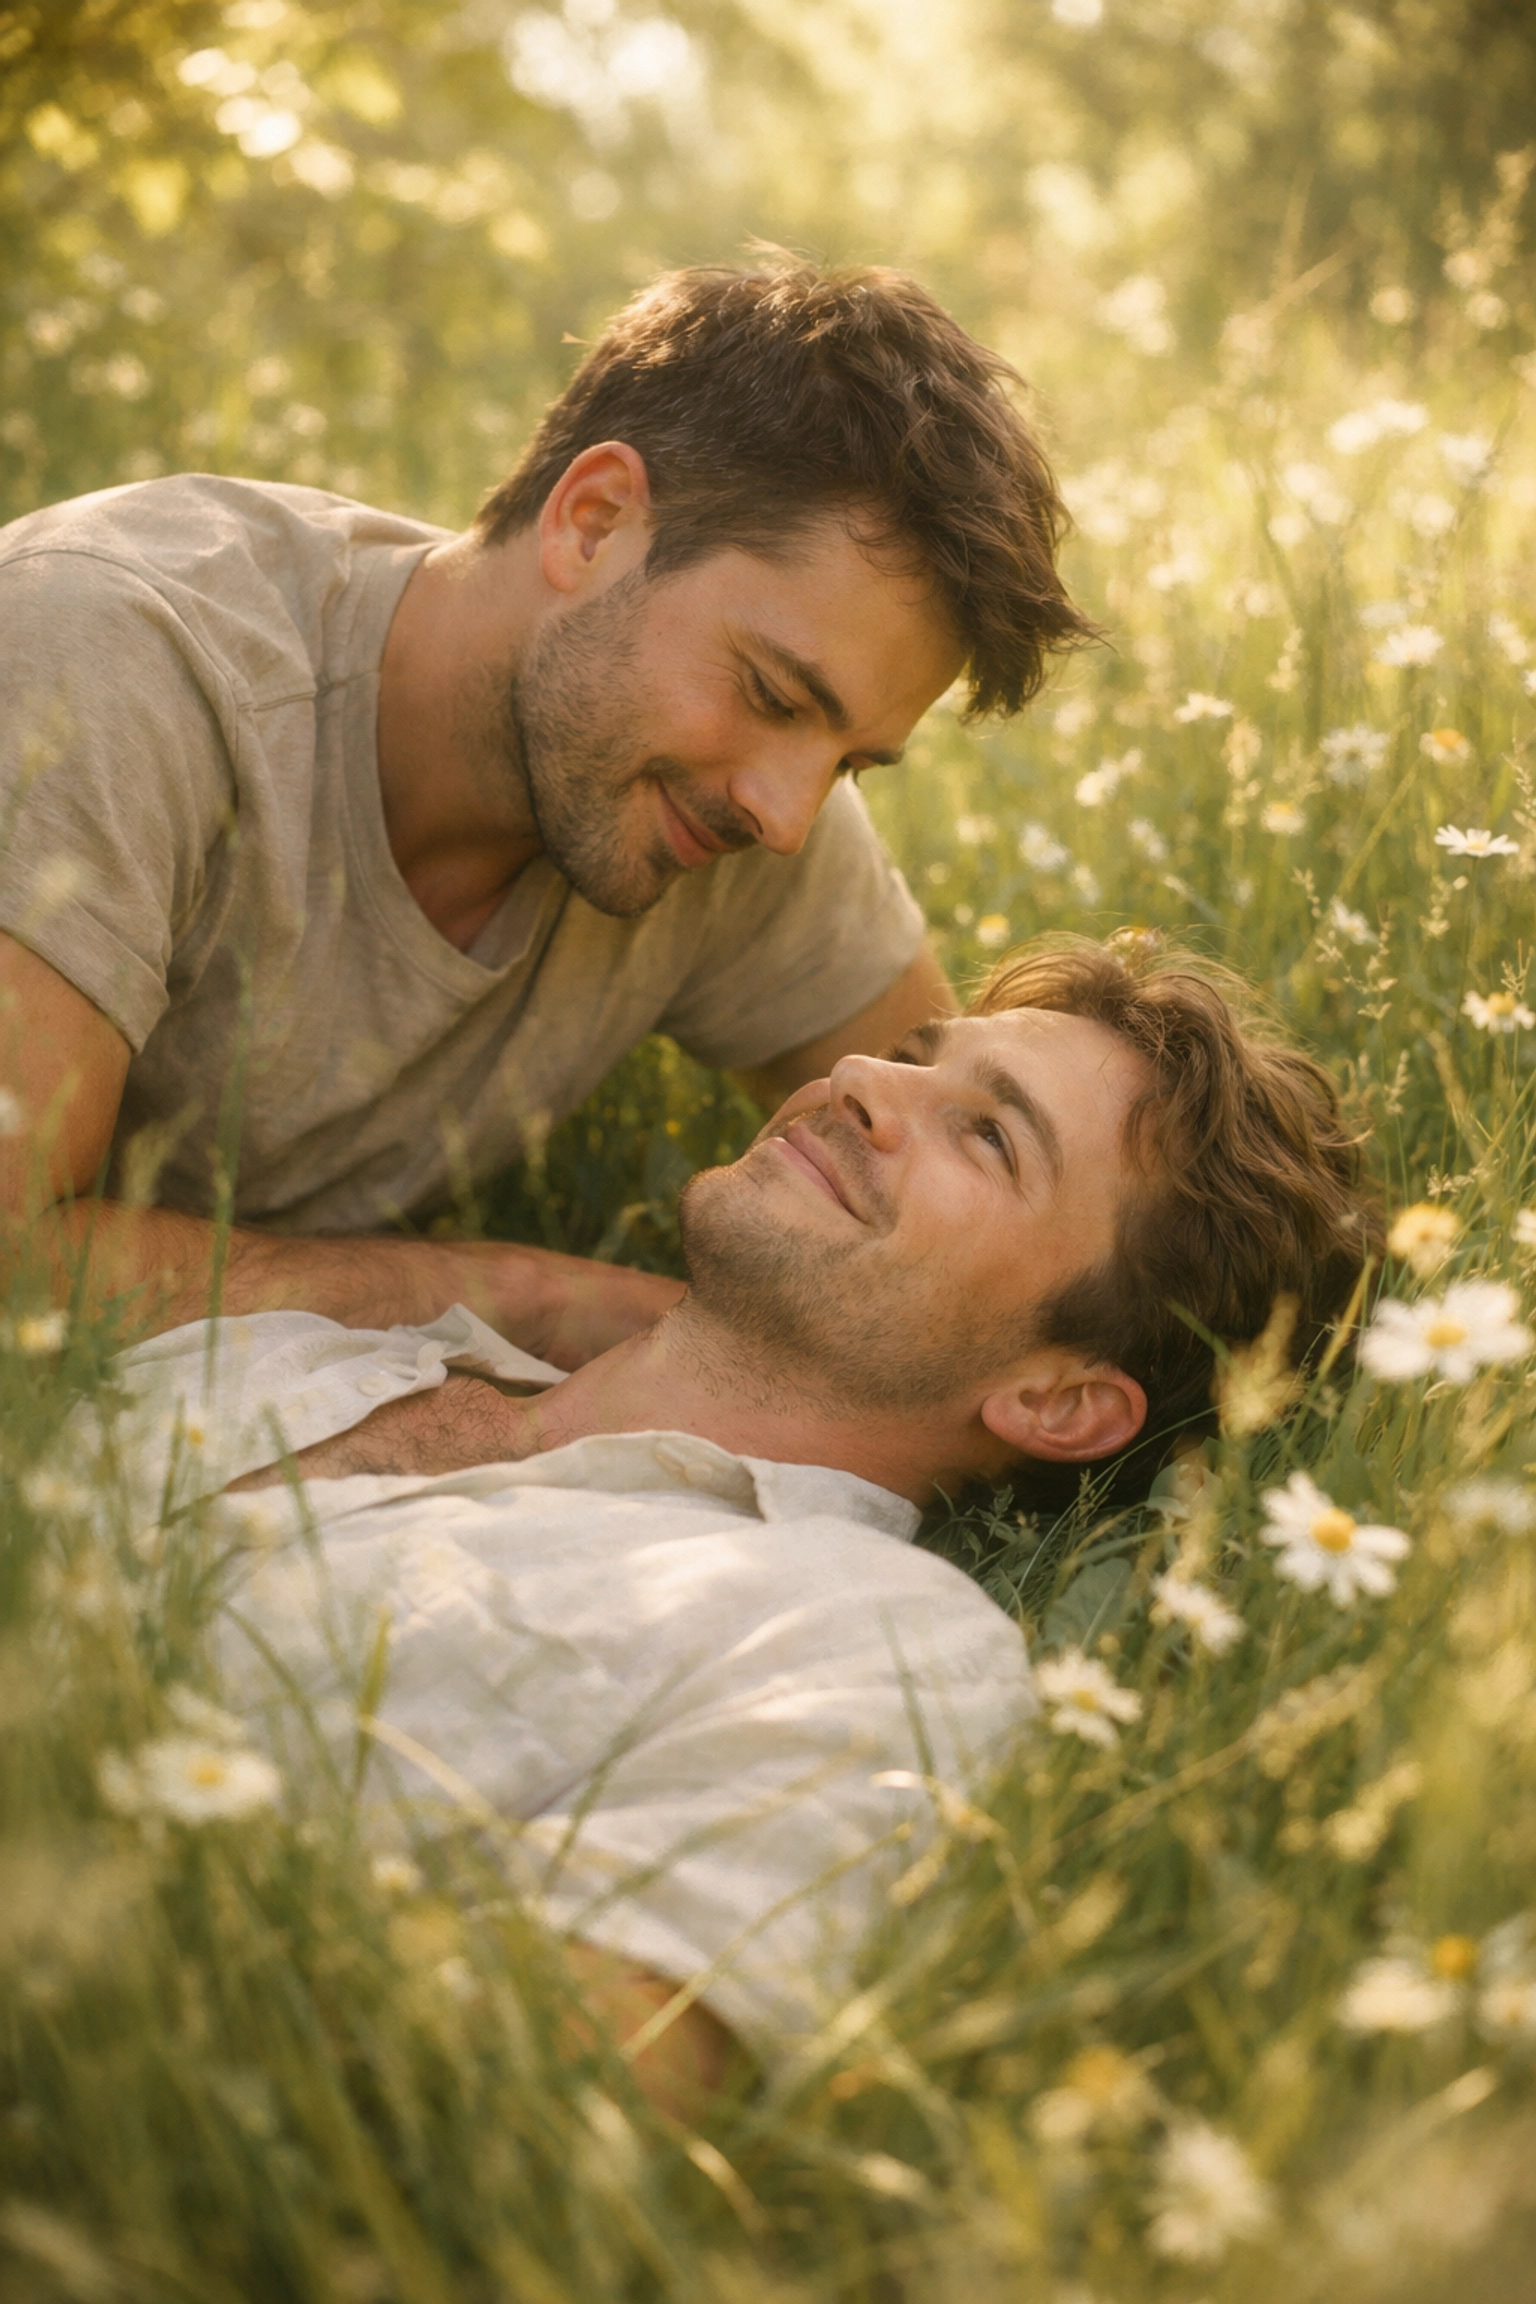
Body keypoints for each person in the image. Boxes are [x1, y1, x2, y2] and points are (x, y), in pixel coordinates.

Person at [87, 935, 1379, 2110]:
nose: (863, 1076)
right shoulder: (343, 1337)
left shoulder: (878, 1650)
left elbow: (533, 2103)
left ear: (1056, 1401)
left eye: (988, 1136)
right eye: (920, 1059)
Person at [0, 258, 1093, 1370]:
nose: (788, 817)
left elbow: (986, 1268)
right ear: (595, 520)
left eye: (852, 761)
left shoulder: (736, 819)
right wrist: (504, 1295)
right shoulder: (111, 659)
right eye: (770, 693)